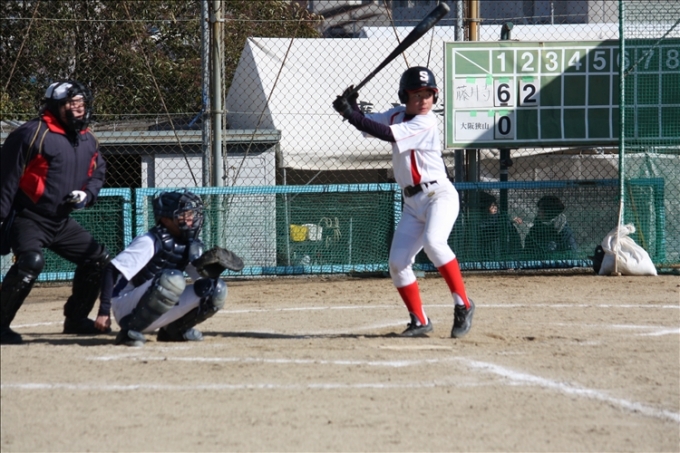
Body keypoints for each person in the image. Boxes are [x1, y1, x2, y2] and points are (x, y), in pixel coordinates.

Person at [332, 66, 474, 338]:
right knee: (397, 263)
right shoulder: (396, 114)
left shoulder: (426, 122)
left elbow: (387, 134)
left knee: (434, 243)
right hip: (412, 204)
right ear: (404, 96)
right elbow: (369, 126)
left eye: (427, 94)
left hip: (439, 195)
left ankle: (463, 304)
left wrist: (350, 114)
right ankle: (419, 321)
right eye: (416, 94)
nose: (422, 100)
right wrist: (352, 107)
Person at [0, 80, 110, 345]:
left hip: (60, 221)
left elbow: (98, 172)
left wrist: (87, 195)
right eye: (72, 103)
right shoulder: (31, 134)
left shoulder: (88, 138)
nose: (79, 108)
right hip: (27, 216)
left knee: (97, 259)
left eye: (82, 103)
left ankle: (76, 319)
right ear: (55, 106)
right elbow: (6, 178)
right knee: (31, 262)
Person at [100, 190, 230, 347]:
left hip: (155, 297)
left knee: (216, 289)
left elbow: (201, 280)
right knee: (172, 279)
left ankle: (174, 330)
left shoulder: (189, 244)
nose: (191, 220)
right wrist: (103, 312)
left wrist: (212, 270)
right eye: (183, 215)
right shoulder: (149, 241)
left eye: (191, 214)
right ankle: (129, 332)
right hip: (126, 307)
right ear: (166, 220)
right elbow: (111, 270)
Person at [475, 192, 522, 261]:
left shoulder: (501, 218)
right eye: (491, 206)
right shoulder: (481, 220)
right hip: (487, 251)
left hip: (502, 251)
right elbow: (488, 228)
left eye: (495, 205)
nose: (495, 208)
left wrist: (511, 222)